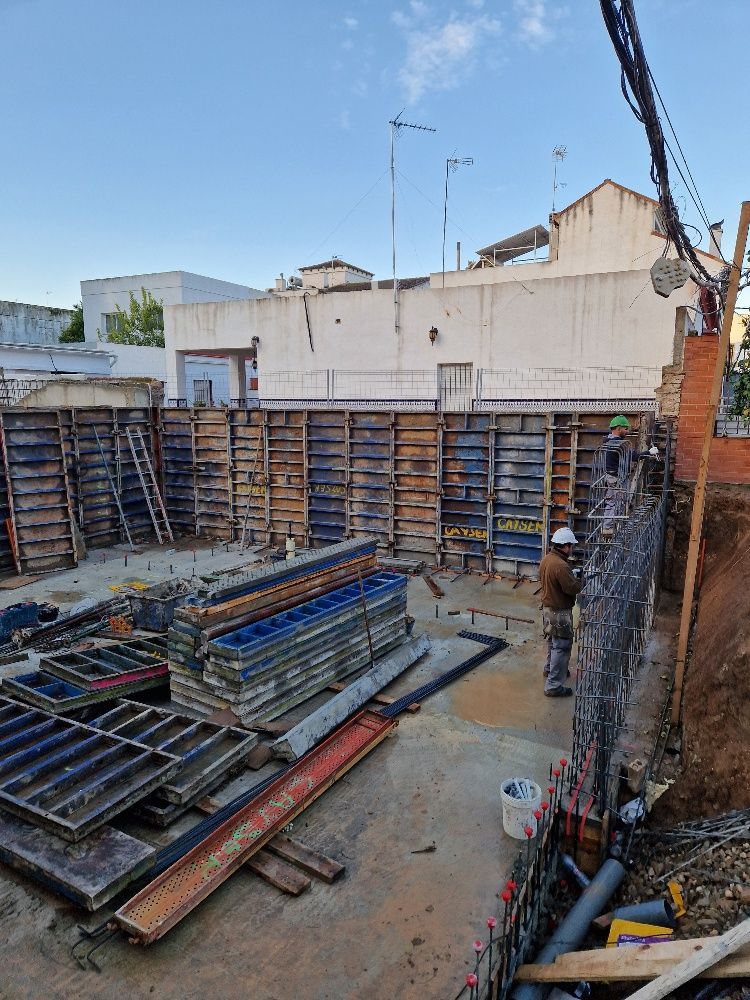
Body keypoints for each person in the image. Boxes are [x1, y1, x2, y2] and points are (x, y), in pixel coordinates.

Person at [538, 527, 582, 698]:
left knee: (553, 642)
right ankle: (554, 685)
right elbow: (572, 588)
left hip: (548, 608)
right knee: (562, 647)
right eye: (570, 546)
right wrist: (579, 580)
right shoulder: (561, 565)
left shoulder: (547, 559)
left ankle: (550, 670)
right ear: (565, 546)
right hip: (559, 612)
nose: (572, 549)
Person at [601, 416, 660, 538]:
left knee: (613, 501)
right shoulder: (619, 443)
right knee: (614, 502)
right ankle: (608, 528)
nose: (627, 431)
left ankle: (610, 526)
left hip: (612, 476)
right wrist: (649, 452)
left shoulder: (609, 440)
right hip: (616, 477)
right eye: (625, 428)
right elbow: (634, 456)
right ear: (618, 428)